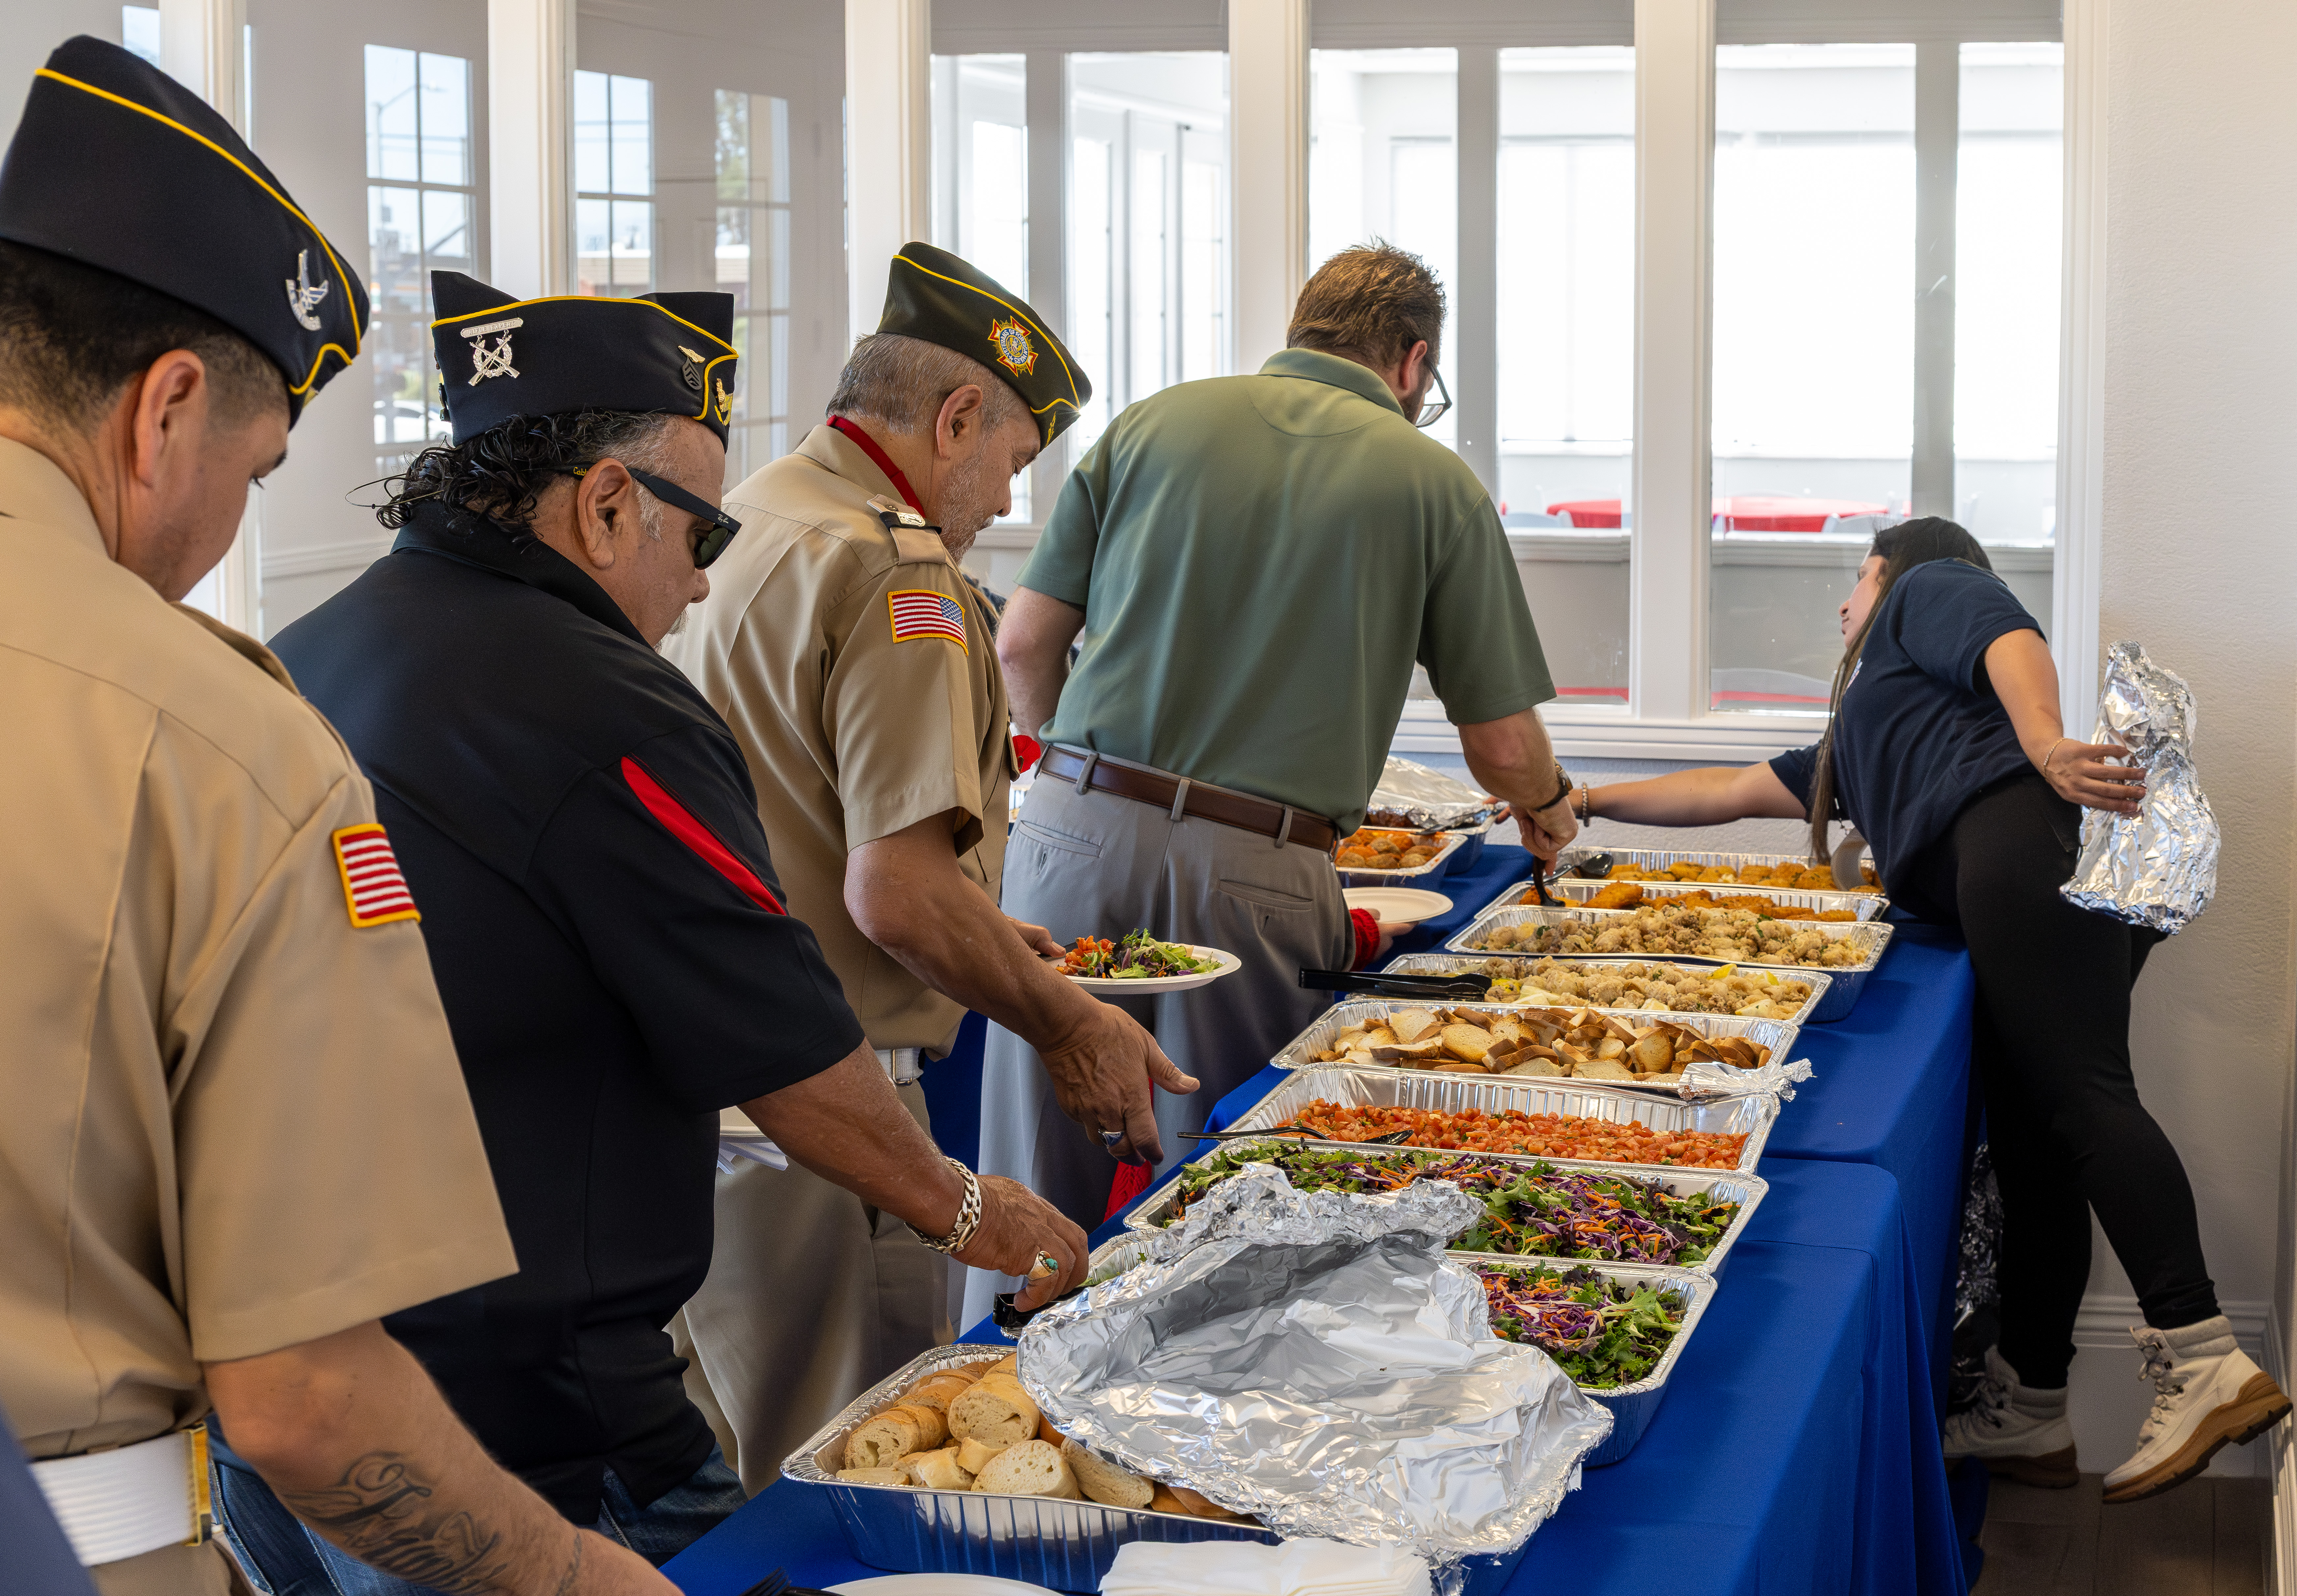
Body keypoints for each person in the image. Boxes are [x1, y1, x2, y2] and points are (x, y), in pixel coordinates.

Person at [207, 270, 1090, 1591]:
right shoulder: (604, 704)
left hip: (285, 1383)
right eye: (702, 534)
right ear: (609, 505)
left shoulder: (302, 653)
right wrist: (973, 1209)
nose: (701, 585)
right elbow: (783, 1046)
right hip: (519, 1418)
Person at [0, 37, 671, 1596]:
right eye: (255, 470)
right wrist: (577, 1577)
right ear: (168, 408)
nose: (230, 519)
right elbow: (305, 1401)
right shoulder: (216, 744)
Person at [1578, 517, 2291, 1503]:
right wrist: (1582, 800)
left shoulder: (1933, 585)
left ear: (1889, 574)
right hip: (2010, 870)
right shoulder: (1876, 729)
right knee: (2038, 1149)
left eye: (1857, 577)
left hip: (2020, 841)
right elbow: (1728, 788)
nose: (1843, 604)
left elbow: (2010, 636)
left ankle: (2204, 1355)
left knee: (2086, 1101)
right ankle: (2033, 1405)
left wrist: (2045, 744)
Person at [664, 243, 1194, 1487]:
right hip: (827, 1099)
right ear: (955, 419)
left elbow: (798, 819)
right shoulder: (891, 567)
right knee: (855, 1470)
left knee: (737, 1460)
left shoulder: (760, 512)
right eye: (1011, 459)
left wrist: (991, 937)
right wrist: (1067, 1025)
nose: (1006, 501)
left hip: (711, 1086)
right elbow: (893, 891)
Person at [976, 243, 1581, 1309]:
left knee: (1030, 1178)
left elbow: (1022, 646)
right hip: (1253, 867)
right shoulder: (1432, 481)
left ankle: (992, 1384)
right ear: (1413, 360)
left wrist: (1066, 779)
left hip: (1069, 830)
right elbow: (1499, 745)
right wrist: (1546, 806)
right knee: (1232, 1186)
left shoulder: (1152, 424)